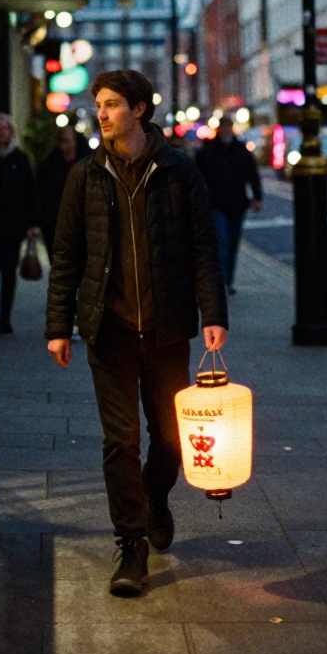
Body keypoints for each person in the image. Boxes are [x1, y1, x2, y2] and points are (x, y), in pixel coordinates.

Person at [46, 69, 227, 597]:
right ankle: (132, 545)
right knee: (120, 441)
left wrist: (213, 312)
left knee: (170, 438)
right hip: (111, 331)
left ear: (140, 110)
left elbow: (203, 249)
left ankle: (154, 498)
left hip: (169, 330)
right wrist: (59, 325)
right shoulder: (85, 175)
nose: (100, 114)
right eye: (98, 104)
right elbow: (67, 255)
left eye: (110, 105)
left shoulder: (179, 172)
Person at [195, 115, 262, 295]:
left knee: (232, 244)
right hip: (215, 204)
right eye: (223, 127)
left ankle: (227, 281)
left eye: (228, 127)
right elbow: (197, 176)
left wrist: (257, 197)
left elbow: (252, 174)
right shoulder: (208, 151)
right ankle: (221, 281)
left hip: (237, 204)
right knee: (222, 242)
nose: (226, 131)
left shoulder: (241, 151)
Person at [0, 112, 38, 334]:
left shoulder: (19, 158)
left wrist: (31, 223)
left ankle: (5, 317)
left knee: (8, 273)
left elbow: (30, 192)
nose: (1, 132)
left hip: (13, 226)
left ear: (10, 131)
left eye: (5, 129)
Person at [37, 124, 89, 263]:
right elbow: (42, 196)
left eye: (69, 140)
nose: (66, 144)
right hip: (57, 224)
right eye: (63, 140)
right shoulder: (48, 166)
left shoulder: (87, 164)